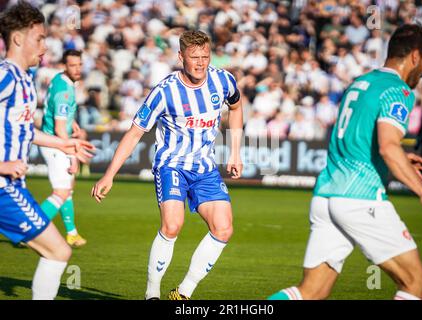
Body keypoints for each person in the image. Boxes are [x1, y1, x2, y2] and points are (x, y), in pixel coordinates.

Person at [269, 24, 422, 300]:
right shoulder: (397, 90)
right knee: (415, 282)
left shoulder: (362, 83)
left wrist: (399, 157)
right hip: (360, 198)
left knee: (310, 293)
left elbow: (362, 138)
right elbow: (388, 146)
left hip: (326, 195)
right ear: (415, 56)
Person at [92, 30, 243, 300]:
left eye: (205, 56)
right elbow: (134, 133)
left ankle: (183, 293)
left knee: (224, 228)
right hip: (171, 166)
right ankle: (152, 294)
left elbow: (236, 106)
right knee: (172, 226)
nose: (200, 63)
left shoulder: (223, 80)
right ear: (180, 57)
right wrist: (108, 175)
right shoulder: (164, 91)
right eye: (194, 57)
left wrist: (235, 152)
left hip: (205, 168)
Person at [0, 1, 94, 300]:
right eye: (39, 39)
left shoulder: (25, 80)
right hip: (3, 186)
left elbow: (25, 131)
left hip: (11, 185)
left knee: (55, 250)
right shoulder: (6, 76)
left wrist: (64, 143)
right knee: (57, 250)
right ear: (17, 38)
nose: (45, 47)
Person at [39, 49, 88, 247]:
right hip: (55, 144)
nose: (77, 69)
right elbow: (60, 129)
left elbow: (61, 117)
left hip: (54, 140)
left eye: (79, 65)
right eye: (72, 65)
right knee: (60, 192)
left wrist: (72, 123)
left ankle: (72, 233)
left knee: (68, 189)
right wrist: (74, 155)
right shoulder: (64, 92)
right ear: (64, 66)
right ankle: (29, 229)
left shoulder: (61, 80)